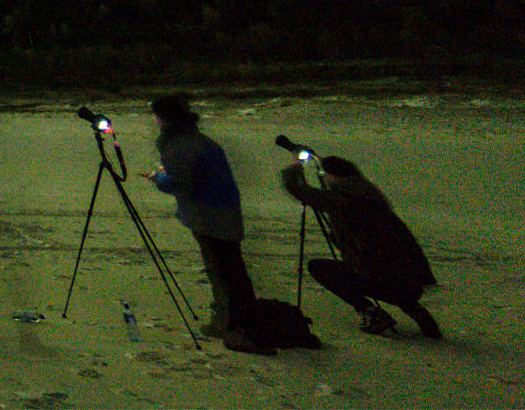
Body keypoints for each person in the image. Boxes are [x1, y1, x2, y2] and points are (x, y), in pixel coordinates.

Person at [147, 93, 271, 355]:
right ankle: (232, 322)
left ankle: (234, 326)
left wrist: (159, 178)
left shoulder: (179, 144)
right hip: (223, 209)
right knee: (231, 269)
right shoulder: (198, 140)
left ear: (163, 117)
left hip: (209, 215)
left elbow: (181, 183)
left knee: (224, 271)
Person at [281, 155, 440, 338]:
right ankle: (416, 311)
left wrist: (295, 168)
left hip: (381, 275)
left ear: (333, 175)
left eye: (324, 173)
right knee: (386, 269)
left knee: (319, 267)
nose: (323, 177)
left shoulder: (343, 198)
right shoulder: (367, 194)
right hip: (412, 280)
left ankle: (369, 311)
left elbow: (301, 192)